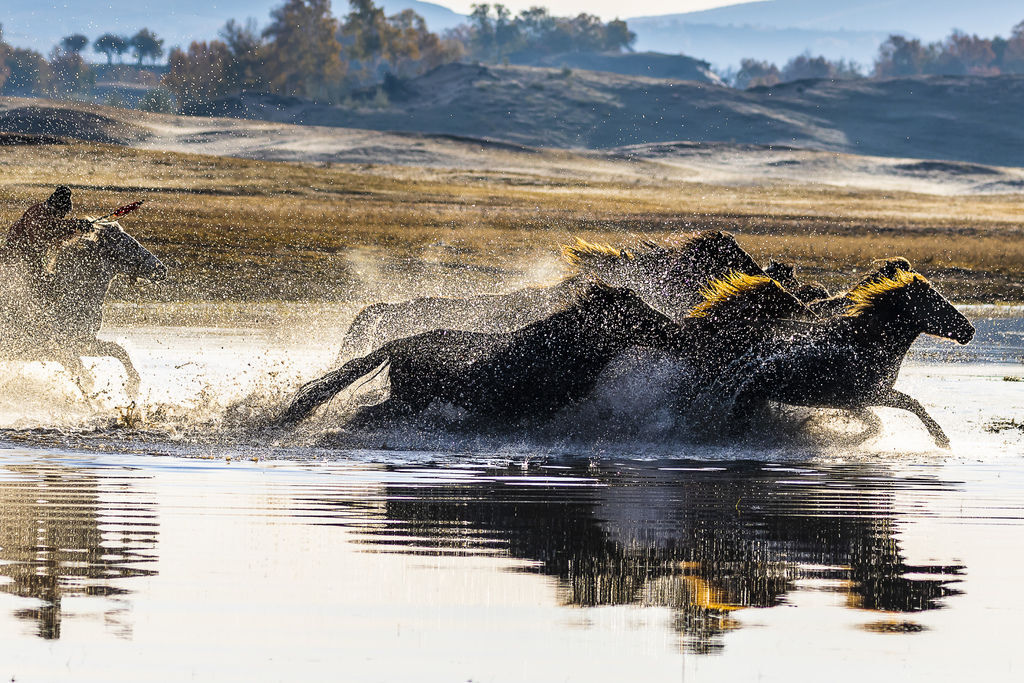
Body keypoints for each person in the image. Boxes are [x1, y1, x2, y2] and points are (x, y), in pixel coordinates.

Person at [1, 186, 92, 279]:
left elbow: (55, 231)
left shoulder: (47, 214)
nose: (63, 216)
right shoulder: (38, 214)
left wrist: (76, 229)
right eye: (63, 213)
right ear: (57, 208)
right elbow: (45, 233)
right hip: (17, 255)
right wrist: (75, 224)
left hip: (29, 254)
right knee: (40, 281)